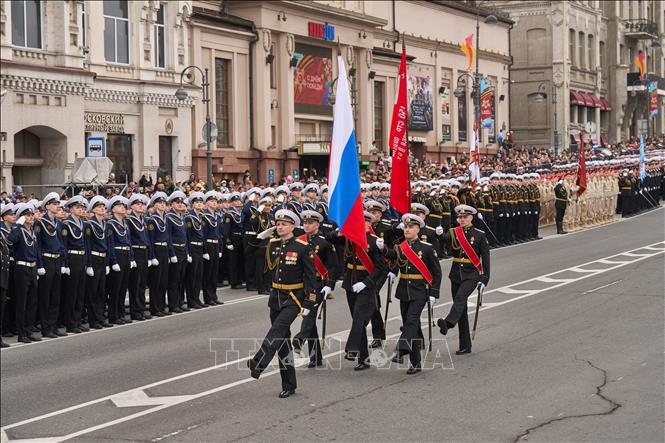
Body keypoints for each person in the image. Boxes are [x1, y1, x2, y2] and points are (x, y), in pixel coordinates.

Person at [247, 209, 318, 398]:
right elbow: (251, 251)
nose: (280, 227)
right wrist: (260, 236)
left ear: (292, 227)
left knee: (276, 330)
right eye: (277, 224)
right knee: (282, 342)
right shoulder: (273, 244)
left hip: (293, 298)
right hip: (276, 297)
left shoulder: (302, 247)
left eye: (284, 224)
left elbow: (311, 277)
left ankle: (258, 362)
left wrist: (309, 302)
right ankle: (289, 384)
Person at [383, 213, 442, 373]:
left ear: (418, 229)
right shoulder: (400, 247)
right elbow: (394, 258)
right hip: (403, 291)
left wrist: (433, 293)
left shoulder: (427, 248)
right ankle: (415, 363)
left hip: (420, 290)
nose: (407, 229)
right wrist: (381, 247)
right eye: (406, 227)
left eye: (411, 227)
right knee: (413, 327)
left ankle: (400, 349)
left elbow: (437, 273)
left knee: (411, 321)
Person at [436, 204, 490, 355]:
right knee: (461, 309)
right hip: (456, 274)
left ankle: (447, 323)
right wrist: (440, 235)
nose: (462, 219)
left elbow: (485, 259)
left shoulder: (479, 235)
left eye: (465, 217)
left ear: (471, 217)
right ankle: (465, 345)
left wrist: (484, 278)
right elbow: (445, 239)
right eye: (460, 217)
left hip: (471, 274)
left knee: (460, 298)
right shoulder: (454, 232)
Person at [337, 211, 387, 370]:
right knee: (357, 321)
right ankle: (363, 359)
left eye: (363, 222)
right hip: (350, 282)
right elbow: (330, 237)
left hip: (366, 284)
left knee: (359, 316)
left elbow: (381, 268)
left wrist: (366, 283)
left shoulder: (374, 242)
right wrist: (343, 228)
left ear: (369, 224)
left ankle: (352, 349)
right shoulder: (349, 239)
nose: (360, 225)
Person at [292, 210, 339, 368]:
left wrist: (329, 285)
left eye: (310, 223)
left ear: (317, 225)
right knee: (309, 318)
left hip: (318, 284)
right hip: (302, 284)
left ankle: (299, 339)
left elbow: (333, 267)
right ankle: (315, 356)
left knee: (309, 314)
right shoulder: (298, 241)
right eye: (305, 222)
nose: (306, 225)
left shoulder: (324, 243)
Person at [34, 193, 67, 338]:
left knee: (55, 295)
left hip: (56, 260)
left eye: (58, 204)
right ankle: (45, 327)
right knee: (45, 296)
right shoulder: (40, 223)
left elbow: (61, 245)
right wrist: (40, 265)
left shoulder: (59, 224)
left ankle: (53, 325)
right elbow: (38, 246)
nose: (57, 206)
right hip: (46, 260)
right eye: (54, 204)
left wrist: (63, 263)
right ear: (47, 206)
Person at [9, 203, 43, 343]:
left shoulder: (32, 232)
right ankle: (21, 333)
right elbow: (11, 240)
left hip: (32, 268)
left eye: (31, 215)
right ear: (22, 217)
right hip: (22, 267)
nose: (31, 217)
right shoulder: (18, 230)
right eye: (27, 215)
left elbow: (36, 251)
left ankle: (29, 331)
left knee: (32, 302)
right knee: (22, 302)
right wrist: (17, 225)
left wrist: (38, 267)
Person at [61, 196, 90, 333]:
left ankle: (77, 321)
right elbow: (64, 246)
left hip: (82, 257)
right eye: (78, 208)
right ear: (71, 209)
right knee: (72, 292)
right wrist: (65, 264)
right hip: (72, 257)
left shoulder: (83, 224)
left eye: (82, 208)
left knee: (80, 292)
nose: (81, 210)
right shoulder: (66, 224)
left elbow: (86, 244)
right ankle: (70, 323)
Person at [84, 196, 111, 329]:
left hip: (102, 258)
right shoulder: (89, 224)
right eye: (99, 207)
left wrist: (106, 263)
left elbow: (106, 244)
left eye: (104, 207)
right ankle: (93, 319)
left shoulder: (105, 224)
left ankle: (100, 317)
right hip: (94, 259)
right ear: (93, 210)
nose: (102, 209)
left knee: (101, 291)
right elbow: (88, 246)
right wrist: (88, 264)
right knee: (93, 291)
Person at [166, 191, 190, 313]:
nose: (180, 205)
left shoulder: (182, 217)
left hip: (183, 249)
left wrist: (187, 252)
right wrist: (172, 254)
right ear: (171, 204)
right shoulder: (169, 218)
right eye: (177, 202)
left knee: (181, 278)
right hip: (175, 249)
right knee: (174, 279)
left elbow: (185, 236)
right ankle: (173, 304)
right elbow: (168, 237)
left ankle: (180, 301)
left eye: (182, 202)